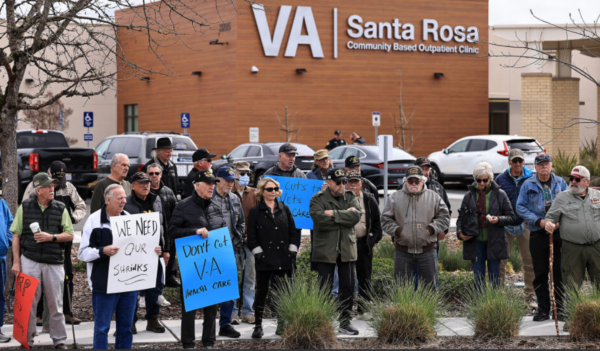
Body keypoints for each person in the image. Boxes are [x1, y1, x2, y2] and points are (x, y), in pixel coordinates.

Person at [79, 184, 161, 349]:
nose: (124, 201)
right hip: (104, 285)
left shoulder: (129, 219)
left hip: (128, 284)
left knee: (126, 328)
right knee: (102, 328)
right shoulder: (94, 221)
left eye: (125, 197)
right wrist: (103, 251)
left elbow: (139, 248)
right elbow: (82, 254)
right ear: (108, 200)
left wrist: (154, 250)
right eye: (120, 198)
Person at [10, 172, 74, 349]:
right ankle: (26, 341)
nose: (52, 188)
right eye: (48, 186)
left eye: (53, 186)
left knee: (56, 303)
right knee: (28, 303)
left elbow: (69, 234)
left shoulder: (60, 207)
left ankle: (59, 340)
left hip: (54, 261)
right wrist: (16, 262)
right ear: (38, 190)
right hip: (30, 259)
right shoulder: (25, 207)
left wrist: (51, 237)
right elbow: (16, 235)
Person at [24, 161, 86, 326]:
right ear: (48, 173)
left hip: (62, 240)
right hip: (40, 240)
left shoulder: (69, 188)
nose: (56, 185)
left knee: (67, 276)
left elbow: (81, 205)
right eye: (54, 180)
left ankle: (67, 311)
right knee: (39, 278)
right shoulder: (34, 185)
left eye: (60, 180)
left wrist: (73, 218)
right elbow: (25, 207)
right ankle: (38, 314)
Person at [168, 169, 221, 349]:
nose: (212, 187)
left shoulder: (216, 207)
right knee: (190, 307)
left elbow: (221, 232)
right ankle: (188, 343)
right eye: (208, 184)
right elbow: (172, 232)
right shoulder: (182, 206)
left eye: (213, 184)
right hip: (192, 265)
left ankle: (209, 342)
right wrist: (194, 232)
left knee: (212, 306)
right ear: (197, 185)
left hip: (212, 264)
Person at [516, 153, 568, 322]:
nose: (544, 167)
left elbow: (569, 204)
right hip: (538, 233)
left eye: (547, 164)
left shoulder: (561, 183)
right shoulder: (527, 184)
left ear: (551, 165)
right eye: (541, 165)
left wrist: (558, 221)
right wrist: (539, 221)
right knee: (540, 272)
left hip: (558, 234)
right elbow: (520, 207)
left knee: (559, 272)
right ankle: (543, 309)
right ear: (536, 167)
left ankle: (559, 309)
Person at [310, 168, 362, 335]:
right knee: (324, 287)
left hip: (347, 248)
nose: (342, 185)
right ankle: (322, 322)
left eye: (344, 182)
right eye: (338, 182)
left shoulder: (351, 197)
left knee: (347, 287)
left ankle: (345, 322)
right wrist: (344, 216)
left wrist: (332, 213)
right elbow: (319, 220)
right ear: (329, 182)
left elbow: (355, 218)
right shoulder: (317, 199)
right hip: (326, 249)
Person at [381, 166, 450, 289]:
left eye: (417, 181)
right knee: (401, 288)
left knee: (429, 289)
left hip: (427, 250)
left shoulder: (434, 197)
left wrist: (431, 229)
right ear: (405, 181)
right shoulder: (394, 198)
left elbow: (444, 217)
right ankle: (402, 309)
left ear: (423, 181)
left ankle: (429, 309)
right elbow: (385, 220)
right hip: (403, 251)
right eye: (410, 181)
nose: (413, 183)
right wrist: (398, 231)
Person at [247, 177, 297, 339]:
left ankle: (282, 324)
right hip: (264, 259)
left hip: (283, 258)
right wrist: (258, 253)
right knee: (261, 293)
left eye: (275, 189)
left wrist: (292, 251)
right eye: (269, 189)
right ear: (262, 191)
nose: (273, 192)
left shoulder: (285, 209)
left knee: (282, 293)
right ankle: (258, 326)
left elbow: (293, 232)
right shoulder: (255, 211)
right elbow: (251, 236)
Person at [457, 162, 515, 290]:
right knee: (478, 276)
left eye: (485, 180)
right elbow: (461, 218)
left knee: (495, 275)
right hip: (475, 240)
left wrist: (498, 219)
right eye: (479, 180)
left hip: (495, 240)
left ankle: (494, 303)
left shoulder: (500, 194)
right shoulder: (469, 196)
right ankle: (480, 304)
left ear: (490, 179)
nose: (482, 183)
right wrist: (460, 233)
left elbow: (511, 217)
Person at [123, 172, 168, 334]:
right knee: (131, 289)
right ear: (133, 185)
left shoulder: (156, 200)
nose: (145, 185)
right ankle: (130, 321)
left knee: (153, 288)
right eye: (141, 183)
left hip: (153, 254)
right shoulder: (126, 203)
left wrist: (165, 248)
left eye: (147, 182)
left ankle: (152, 319)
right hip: (131, 255)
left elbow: (164, 225)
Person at [545, 166, 600, 288]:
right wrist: (549, 223)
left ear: (587, 182)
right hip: (572, 248)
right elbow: (550, 217)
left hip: (597, 246)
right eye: (571, 179)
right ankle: (573, 307)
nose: (573, 182)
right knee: (572, 286)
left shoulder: (598, 195)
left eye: (577, 179)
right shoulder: (562, 197)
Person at [495, 149, 536, 307]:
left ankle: (530, 295)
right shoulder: (500, 179)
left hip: (526, 224)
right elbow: (495, 202)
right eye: (515, 161)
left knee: (529, 261)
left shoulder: (531, 178)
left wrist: (531, 217)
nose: (518, 164)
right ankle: (499, 295)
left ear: (523, 162)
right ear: (509, 162)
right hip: (506, 225)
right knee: (501, 261)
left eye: (520, 161)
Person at [345, 170, 382, 317]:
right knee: (347, 278)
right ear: (346, 184)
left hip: (363, 244)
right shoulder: (341, 199)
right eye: (350, 182)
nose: (353, 185)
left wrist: (371, 241)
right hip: (346, 245)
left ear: (361, 183)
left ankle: (363, 309)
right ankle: (346, 309)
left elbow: (377, 225)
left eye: (356, 182)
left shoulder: (369, 199)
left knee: (365, 277)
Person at [213, 166, 244, 335]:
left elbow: (241, 222)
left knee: (229, 287)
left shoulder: (234, 198)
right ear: (217, 180)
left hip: (230, 250)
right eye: (227, 180)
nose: (231, 184)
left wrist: (237, 241)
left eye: (233, 181)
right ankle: (209, 322)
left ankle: (225, 323)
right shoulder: (208, 198)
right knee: (210, 287)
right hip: (210, 250)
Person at [412, 157, 451, 289]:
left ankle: (430, 301)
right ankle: (413, 301)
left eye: (426, 169)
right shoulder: (405, 187)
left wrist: (443, 230)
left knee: (431, 269)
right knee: (413, 270)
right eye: (421, 169)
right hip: (411, 237)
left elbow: (446, 211)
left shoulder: (438, 188)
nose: (424, 172)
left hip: (432, 236)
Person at [264, 143, 306, 250]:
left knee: (293, 251)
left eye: (293, 155)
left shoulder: (300, 175)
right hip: (275, 223)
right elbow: (261, 197)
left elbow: (306, 198)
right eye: (288, 155)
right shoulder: (270, 175)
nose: (291, 158)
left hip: (295, 223)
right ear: (279, 157)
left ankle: (292, 267)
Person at [231, 162, 257, 324]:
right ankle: (232, 311)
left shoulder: (254, 194)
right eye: (241, 173)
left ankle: (248, 310)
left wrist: (250, 236)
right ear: (235, 174)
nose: (245, 176)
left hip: (250, 242)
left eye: (247, 173)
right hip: (232, 242)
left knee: (250, 276)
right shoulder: (227, 193)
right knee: (233, 277)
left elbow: (258, 218)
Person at [148, 163, 180, 295]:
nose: (154, 176)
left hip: (166, 233)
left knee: (165, 262)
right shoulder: (144, 191)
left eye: (157, 173)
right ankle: (147, 292)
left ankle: (161, 289)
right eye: (151, 173)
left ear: (161, 175)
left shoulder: (168, 191)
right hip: (148, 234)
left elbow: (175, 211)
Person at [0, 198, 13, 343]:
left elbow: (11, 223)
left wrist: (7, 239)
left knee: (0, 296)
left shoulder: (2, 203)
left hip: (1, 258)